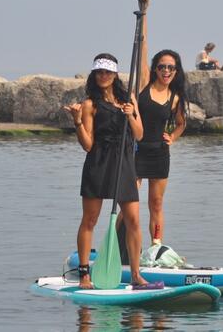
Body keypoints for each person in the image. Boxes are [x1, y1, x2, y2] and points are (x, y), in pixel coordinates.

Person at [63, 53, 153, 289]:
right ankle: (84, 275)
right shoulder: (90, 104)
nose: (104, 76)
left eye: (108, 72)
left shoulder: (129, 99)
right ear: (94, 75)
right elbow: (88, 145)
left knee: (133, 220)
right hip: (99, 163)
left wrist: (130, 115)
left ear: (115, 75)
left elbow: (140, 134)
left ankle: (136, 274)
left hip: (124, 164)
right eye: (99, 72)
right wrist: (77, 121)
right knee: (90, 220)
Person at [135, 0, 187, 245]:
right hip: (135, 151)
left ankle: (156, 246)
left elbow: (181, 124)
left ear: (176, 72)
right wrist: (143, 13)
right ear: (155, 68)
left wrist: (173, 137)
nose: (166, 71)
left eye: (171, 68)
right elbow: (142, 46)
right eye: (162, 66)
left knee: (156, 203)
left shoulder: (175, 97)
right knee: (129, 203)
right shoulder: (144, 83)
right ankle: (124, 247)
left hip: (159, 153)